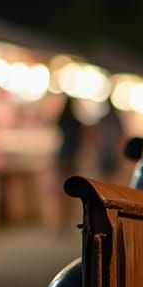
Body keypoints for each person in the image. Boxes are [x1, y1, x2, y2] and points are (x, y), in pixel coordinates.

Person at [55, 96, 84, 231]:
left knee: (61, 190)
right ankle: (68, 219)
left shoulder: (61, 119)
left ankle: (61, 221)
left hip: (62, 156)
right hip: (74, 157)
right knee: (72, 190)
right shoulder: (77, 122)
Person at [96, 98, 125, 182]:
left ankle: (105, 190)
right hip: (107, 151)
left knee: (107, 174)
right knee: (106, 174)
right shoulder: (114, 119)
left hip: (109, 151)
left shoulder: (107, 119)